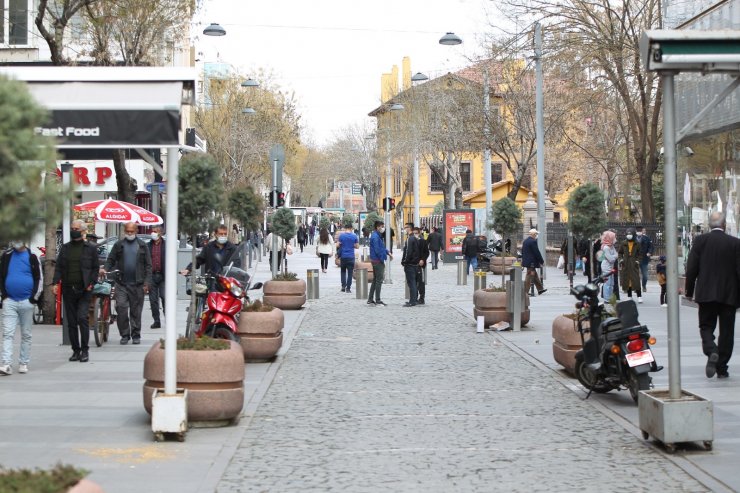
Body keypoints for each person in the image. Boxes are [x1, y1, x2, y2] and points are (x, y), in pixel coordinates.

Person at [685, 212, 740, 379]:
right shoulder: (735, 243)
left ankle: (711, 350)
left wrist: (689, 291)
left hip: (706, 293)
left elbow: (692, 268)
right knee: (727, 332)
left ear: (710, 225)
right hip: (729, 294)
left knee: (706, 326)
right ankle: (722, 367)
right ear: (724, 225)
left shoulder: (700, 241)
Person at [52, 220, 100, 362]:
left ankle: (85, 350)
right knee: (71, 322)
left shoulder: (90, 248)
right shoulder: (66, 248)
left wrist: (91, 283)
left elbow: (95, 268)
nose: (74, 230)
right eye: (72, 228)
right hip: (68, 289)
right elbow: (59, 266)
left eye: (76, 228)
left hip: (85, 289)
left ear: (83, 231)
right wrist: (55, 282)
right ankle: (76, 350)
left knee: (82, 318)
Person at [102, 222, 152, 345]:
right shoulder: (119, 245)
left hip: (137, 284)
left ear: (136, 231)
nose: (129, 234)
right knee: (121, 308)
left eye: (132, 231)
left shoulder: (142, 246)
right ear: (125, 231)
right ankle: (124, 334)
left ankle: (136, 334)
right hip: (121, 283)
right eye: (128, 231)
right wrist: (105, 269)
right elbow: (111, 259)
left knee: (136, 311)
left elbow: (148, 266)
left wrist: (146, 283)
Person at [0, 241, 42, 375]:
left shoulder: (32, 256)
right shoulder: (6, 255)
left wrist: (33, 298)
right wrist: (3, 296)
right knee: (7, 333)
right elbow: (1, 276)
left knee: (26, 334)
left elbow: (38, 278)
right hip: (9, 300)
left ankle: (23, 362)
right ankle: (6, 364)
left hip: (26, 301)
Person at [367, 221, 391, 306]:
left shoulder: (376, 235)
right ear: (377, 227)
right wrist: (382, 258)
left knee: (375, 280)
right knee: (379, 281)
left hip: (375, 260)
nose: (383, 228)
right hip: (377, 261)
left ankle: (370, 299)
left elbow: (381, 247)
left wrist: (388, 252)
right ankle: (377, 300)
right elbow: (378, 250)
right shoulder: (376, 237)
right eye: (382, 226)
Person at [148, 225, 166, 329]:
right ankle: (156, 321)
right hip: (152, 276)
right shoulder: (148, 245)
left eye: (155, 231)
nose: (153, 233)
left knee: (164, 297)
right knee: (153, 300)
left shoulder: (166, 245)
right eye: (152, 231)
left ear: (160, 233)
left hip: (163, 275)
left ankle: (167, 319)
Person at [618, 228, 642, 303]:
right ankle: (629, 296)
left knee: (636, 280)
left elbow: (640, 254)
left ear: (633, 235)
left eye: (630, 234)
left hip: (634, 263)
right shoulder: (623, 243)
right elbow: (620, 253)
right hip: (626, 263)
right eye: (628, 234)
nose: (629, 236)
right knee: (627, 280)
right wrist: (621, 259)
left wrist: (637, 261)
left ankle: (639, 296)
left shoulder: (637, 243)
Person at [401, 222, 422, 307]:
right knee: (413, 282)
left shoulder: (410, 238)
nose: (405, 229)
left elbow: (408, 252)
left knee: (411, 282)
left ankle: (412, 301)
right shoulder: (415, 238)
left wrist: (405, 261)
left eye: (405, 227)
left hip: (410, 264)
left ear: (409, 228)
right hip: (414, 264)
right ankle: (414, 299)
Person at [522, 229, 547, 295]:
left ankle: (540, 289)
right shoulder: (533, 241)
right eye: (536, 234)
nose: (536, 235)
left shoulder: (525, 241)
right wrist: (542, 261)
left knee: (534, 275)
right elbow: (537, 252)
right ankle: (525, 292)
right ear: (533, 234)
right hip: (531, 263)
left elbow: (523, 252)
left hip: (527, 261)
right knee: (529, 276)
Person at [336, 223, 359, 293]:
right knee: (350, 273)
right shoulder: (354, 236)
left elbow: (337, 245)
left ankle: (343, 287)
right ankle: (348, 288)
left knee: (343, 272)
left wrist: (341, 245)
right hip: (351, 257)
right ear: (351, 228)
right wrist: (352, 245)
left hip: (343, 256)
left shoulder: (341, 236)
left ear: (345, 228)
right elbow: (357, 246)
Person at [599, 230, 618, 301]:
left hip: (611, 267)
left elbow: (616, 254)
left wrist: (614, 256)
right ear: (609, 238)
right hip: (606, 267)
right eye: (614, 237)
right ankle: (607, 299)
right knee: (607, 283)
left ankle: (610, 298)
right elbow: (611, 259)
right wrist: (614, 256)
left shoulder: (611, 246)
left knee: (611, 283)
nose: (615, 239)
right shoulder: (605, 247)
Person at [414, 227, 429, 305]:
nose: (415, 234)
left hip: (421, 265)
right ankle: (414, 297)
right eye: (414, 233)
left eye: (416, 233)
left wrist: (423, 260)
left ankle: (422, 298)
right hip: (413, 265)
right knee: (413, 282)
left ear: (419, 233)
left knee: (421, 282)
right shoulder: (410, 241)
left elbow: (426, 252)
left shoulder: (423, 241)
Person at [636, 227, 653, 292]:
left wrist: (649, 252)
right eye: (639, 231)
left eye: (641, 231)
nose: (640, 232)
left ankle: (644, 286)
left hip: (644, 259)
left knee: (645, 275)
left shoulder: (646, 238)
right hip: (636, 258)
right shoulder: (634, 238)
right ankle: (637, 287)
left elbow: (651, 247)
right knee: (635, 274)